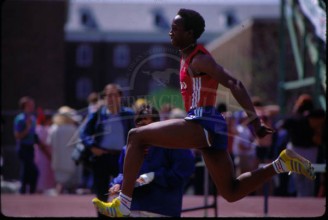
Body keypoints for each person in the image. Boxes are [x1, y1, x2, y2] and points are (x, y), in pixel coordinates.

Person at [92, 9, 315, 217]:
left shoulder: (200, 59)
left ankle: (123, 204)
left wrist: (254, 120)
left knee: (136, 135)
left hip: (202, 122)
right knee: (231, 191)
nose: (171, 32)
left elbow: (233, 82)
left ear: (190, 34)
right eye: (171, 27)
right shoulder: (186, 57)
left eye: (176, 29)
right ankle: (281, 163)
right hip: (206, 128)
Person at [102, 105, 195, 217]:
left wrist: (154, 176)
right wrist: (117, 183)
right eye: (139, 125)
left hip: (162, 210)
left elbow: (182, 173)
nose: (142, 130)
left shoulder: (174, 144)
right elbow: (123, 173)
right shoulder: (127, 149)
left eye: (146, 125)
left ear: (157, 124)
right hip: (133, 210)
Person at [80, 83, 135, 217]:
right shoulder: (98, 114)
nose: (111, 98)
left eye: (114, 95)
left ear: (120, 97)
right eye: (108, 95)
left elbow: (136, 133)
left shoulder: (128, 114)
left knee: (125, 192)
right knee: (101, 194)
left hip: (121, 158)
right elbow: (84, 133)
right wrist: (92, 146)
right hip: (102, 157)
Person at [47, 106, 81, 195]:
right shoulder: (73, 128)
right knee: (70, 184)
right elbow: (77, 143)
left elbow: (49, 143)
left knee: (60, 183)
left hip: (57, 159)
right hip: (70, 160)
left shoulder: (54, 128)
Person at [13, 96, 40, 194]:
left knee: (29, 172)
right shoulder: (20, 119)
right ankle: (23, 192)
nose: (32, 106)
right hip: (23, 147)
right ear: (24, 106)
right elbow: (17, 136)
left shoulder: (32, 118)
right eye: (30, 105)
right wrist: (27, 128)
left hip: (30, 147)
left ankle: (30, 192)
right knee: (30, 171)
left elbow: (34, 135)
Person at [34, 107, 56, 194]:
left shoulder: (48, 128)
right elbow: (41, 144)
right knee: (42, 173)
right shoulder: (40, 129)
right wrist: (48, 155)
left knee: (48, 174)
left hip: (48, 154)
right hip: (42, 155)